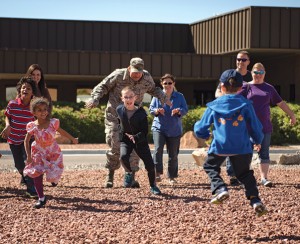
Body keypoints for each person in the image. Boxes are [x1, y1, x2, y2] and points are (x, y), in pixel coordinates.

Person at [85, 57, 172, 188]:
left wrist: (164, 98)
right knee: (115, 146)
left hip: (133, 119)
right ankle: (111, 174)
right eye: (134, 71)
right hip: (115, 116)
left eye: (139, 72)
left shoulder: (146, 77)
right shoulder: (119, 75)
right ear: (129, 68)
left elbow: (154, 89)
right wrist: (95, 99)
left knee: (134, 147)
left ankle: (130, 177)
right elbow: (103, 86)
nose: (137, 75)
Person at [194, 69, 268, 217]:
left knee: (210, 166)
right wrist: (257, 140)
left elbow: (200, 128)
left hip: (220, 146)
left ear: (222, 87)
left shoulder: (214, 106)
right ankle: (255, 200)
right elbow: (256, 127)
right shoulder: (246, 105)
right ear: (241, 88)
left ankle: (221, 188)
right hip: (242, 147)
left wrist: (205, 135)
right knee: (245, 174)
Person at [238, 63, 296, 187]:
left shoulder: (269, 88)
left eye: (261, 72)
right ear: (251, 73)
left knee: (264, 153)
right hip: (247, 127)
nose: (258, 75)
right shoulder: (246, 86)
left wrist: (292, 115)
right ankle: (246, 180)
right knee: (246, 153)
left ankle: (264, 179)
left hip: (264, 127)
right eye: (255, 72)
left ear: (264, 73)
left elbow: (280, 103)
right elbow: (234, 102)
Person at [23, 97, 78, 208]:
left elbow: (62, 132)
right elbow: (26, 140)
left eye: (45, 109)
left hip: (52, 151)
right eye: (40, 110)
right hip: (38, 151)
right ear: (34, 112)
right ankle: (41, 198)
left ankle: (54, 180)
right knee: (37, 174)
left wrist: (73, 139)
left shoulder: (53, 123)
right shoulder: (32, 126)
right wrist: (28, 156)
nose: (43, 112)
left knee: (54, 173)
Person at [215, 50, 252, 186]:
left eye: (243, 60)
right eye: (238, 59)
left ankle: (243, 173)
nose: (240, 62)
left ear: (248, 62)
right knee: (231, 144)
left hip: (246, 115)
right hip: (231, 115)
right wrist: (231, 99)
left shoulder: (251, 76)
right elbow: (217, 93)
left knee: (247, 145)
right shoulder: (228, 75)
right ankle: (232, 175)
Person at [116, 87, 161, 195]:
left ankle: (153, 186)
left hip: (140, 141)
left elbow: (145, 131)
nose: (128, 99)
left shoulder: (141, 113)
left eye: (130, 97)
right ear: (122, 99)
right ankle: (128, 172)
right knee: (123, 157)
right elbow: (119, 123)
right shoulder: (119, 110)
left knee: (150, 165)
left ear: (135, 98)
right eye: (126, 97)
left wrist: (135, 137)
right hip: (126, 140)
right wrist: (121, 134)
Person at [0, 77, 38, 198]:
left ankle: (31, 189)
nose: (25, 90)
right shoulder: (12, 104)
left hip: (28, 140)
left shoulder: (34, 106)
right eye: (23, 88)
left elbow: (38, 121)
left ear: (32, 92)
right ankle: (24, 176)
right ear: (19, 90)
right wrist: (7, 126)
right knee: (19, 165)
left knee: (29, 161)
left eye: (28, 88)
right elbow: (7, 116)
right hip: (13, 139)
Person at [149, 74, 188, 183]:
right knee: (157, 150)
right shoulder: (157, 96)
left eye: (169, 83)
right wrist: (157, 111)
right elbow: (151, 109)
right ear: (161, 84)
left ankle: (171, 177)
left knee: (173, 154)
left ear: (173, 84)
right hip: (159, 128)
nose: (167, 85)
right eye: (165, 83)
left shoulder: (180, 96)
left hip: (174, 129)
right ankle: (157, 174)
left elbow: (185, 109)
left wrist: (179, 111)